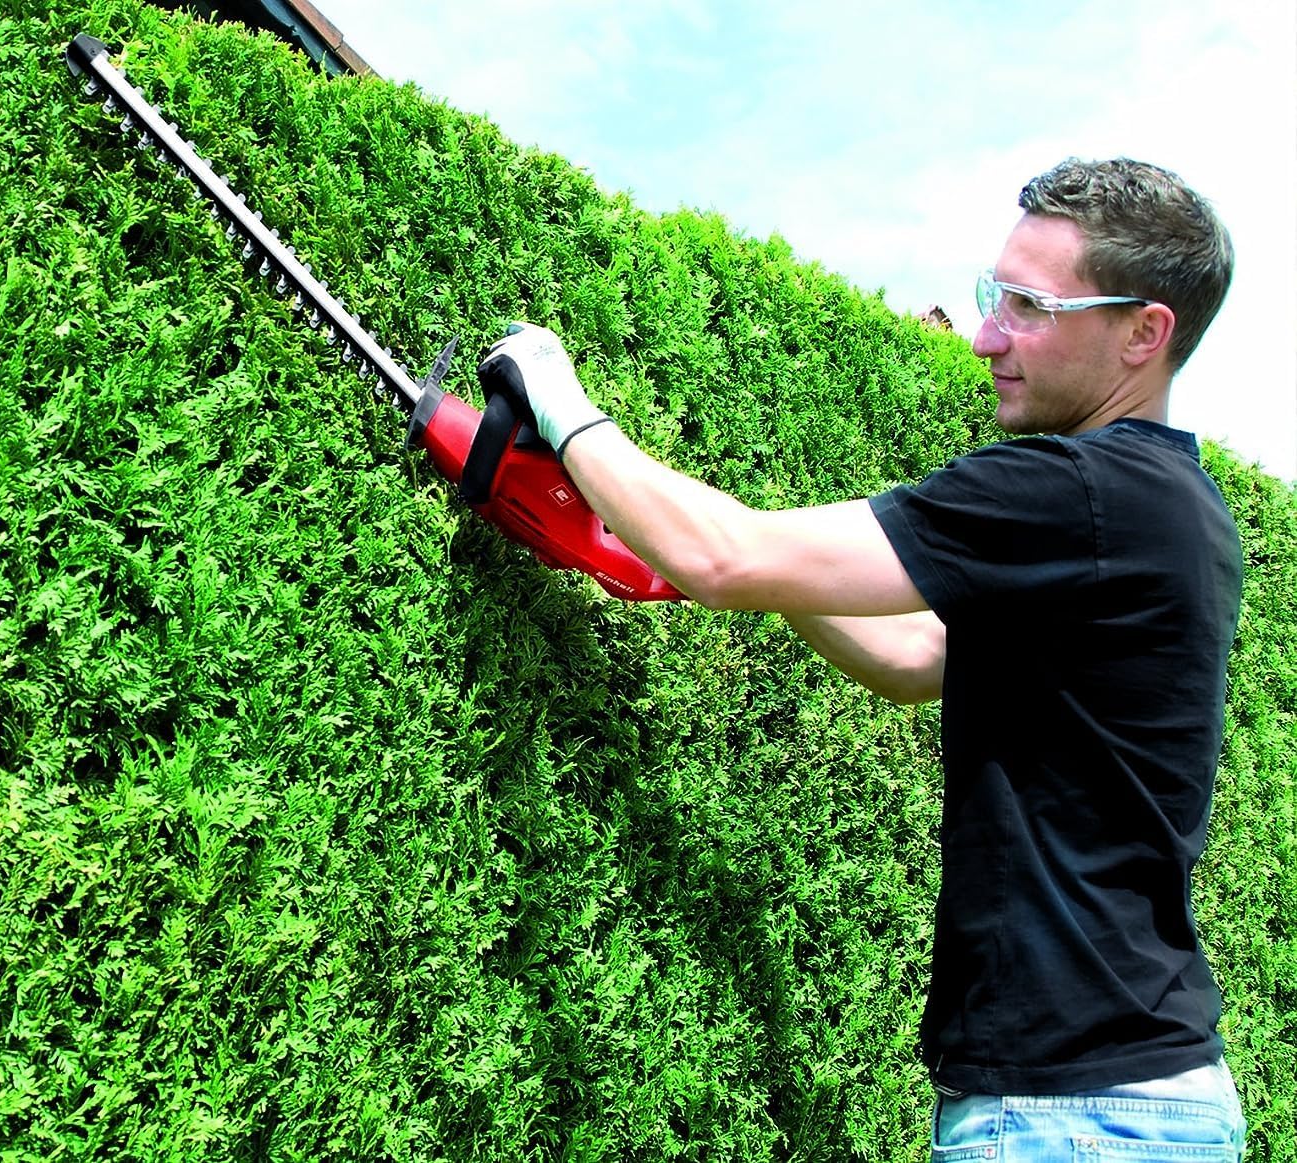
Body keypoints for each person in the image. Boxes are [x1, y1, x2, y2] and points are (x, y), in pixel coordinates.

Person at [479, 157, 1247, 1160]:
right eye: (993, 295)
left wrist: (557, 397)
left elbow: (727, 553)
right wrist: (736, 563)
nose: (985, 336)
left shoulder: (1078, 488)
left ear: (1144, 332)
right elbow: (915, 657)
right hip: (1141, 1092)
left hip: (1074, 1114)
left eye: (1027, 306)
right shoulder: (1172, 508)